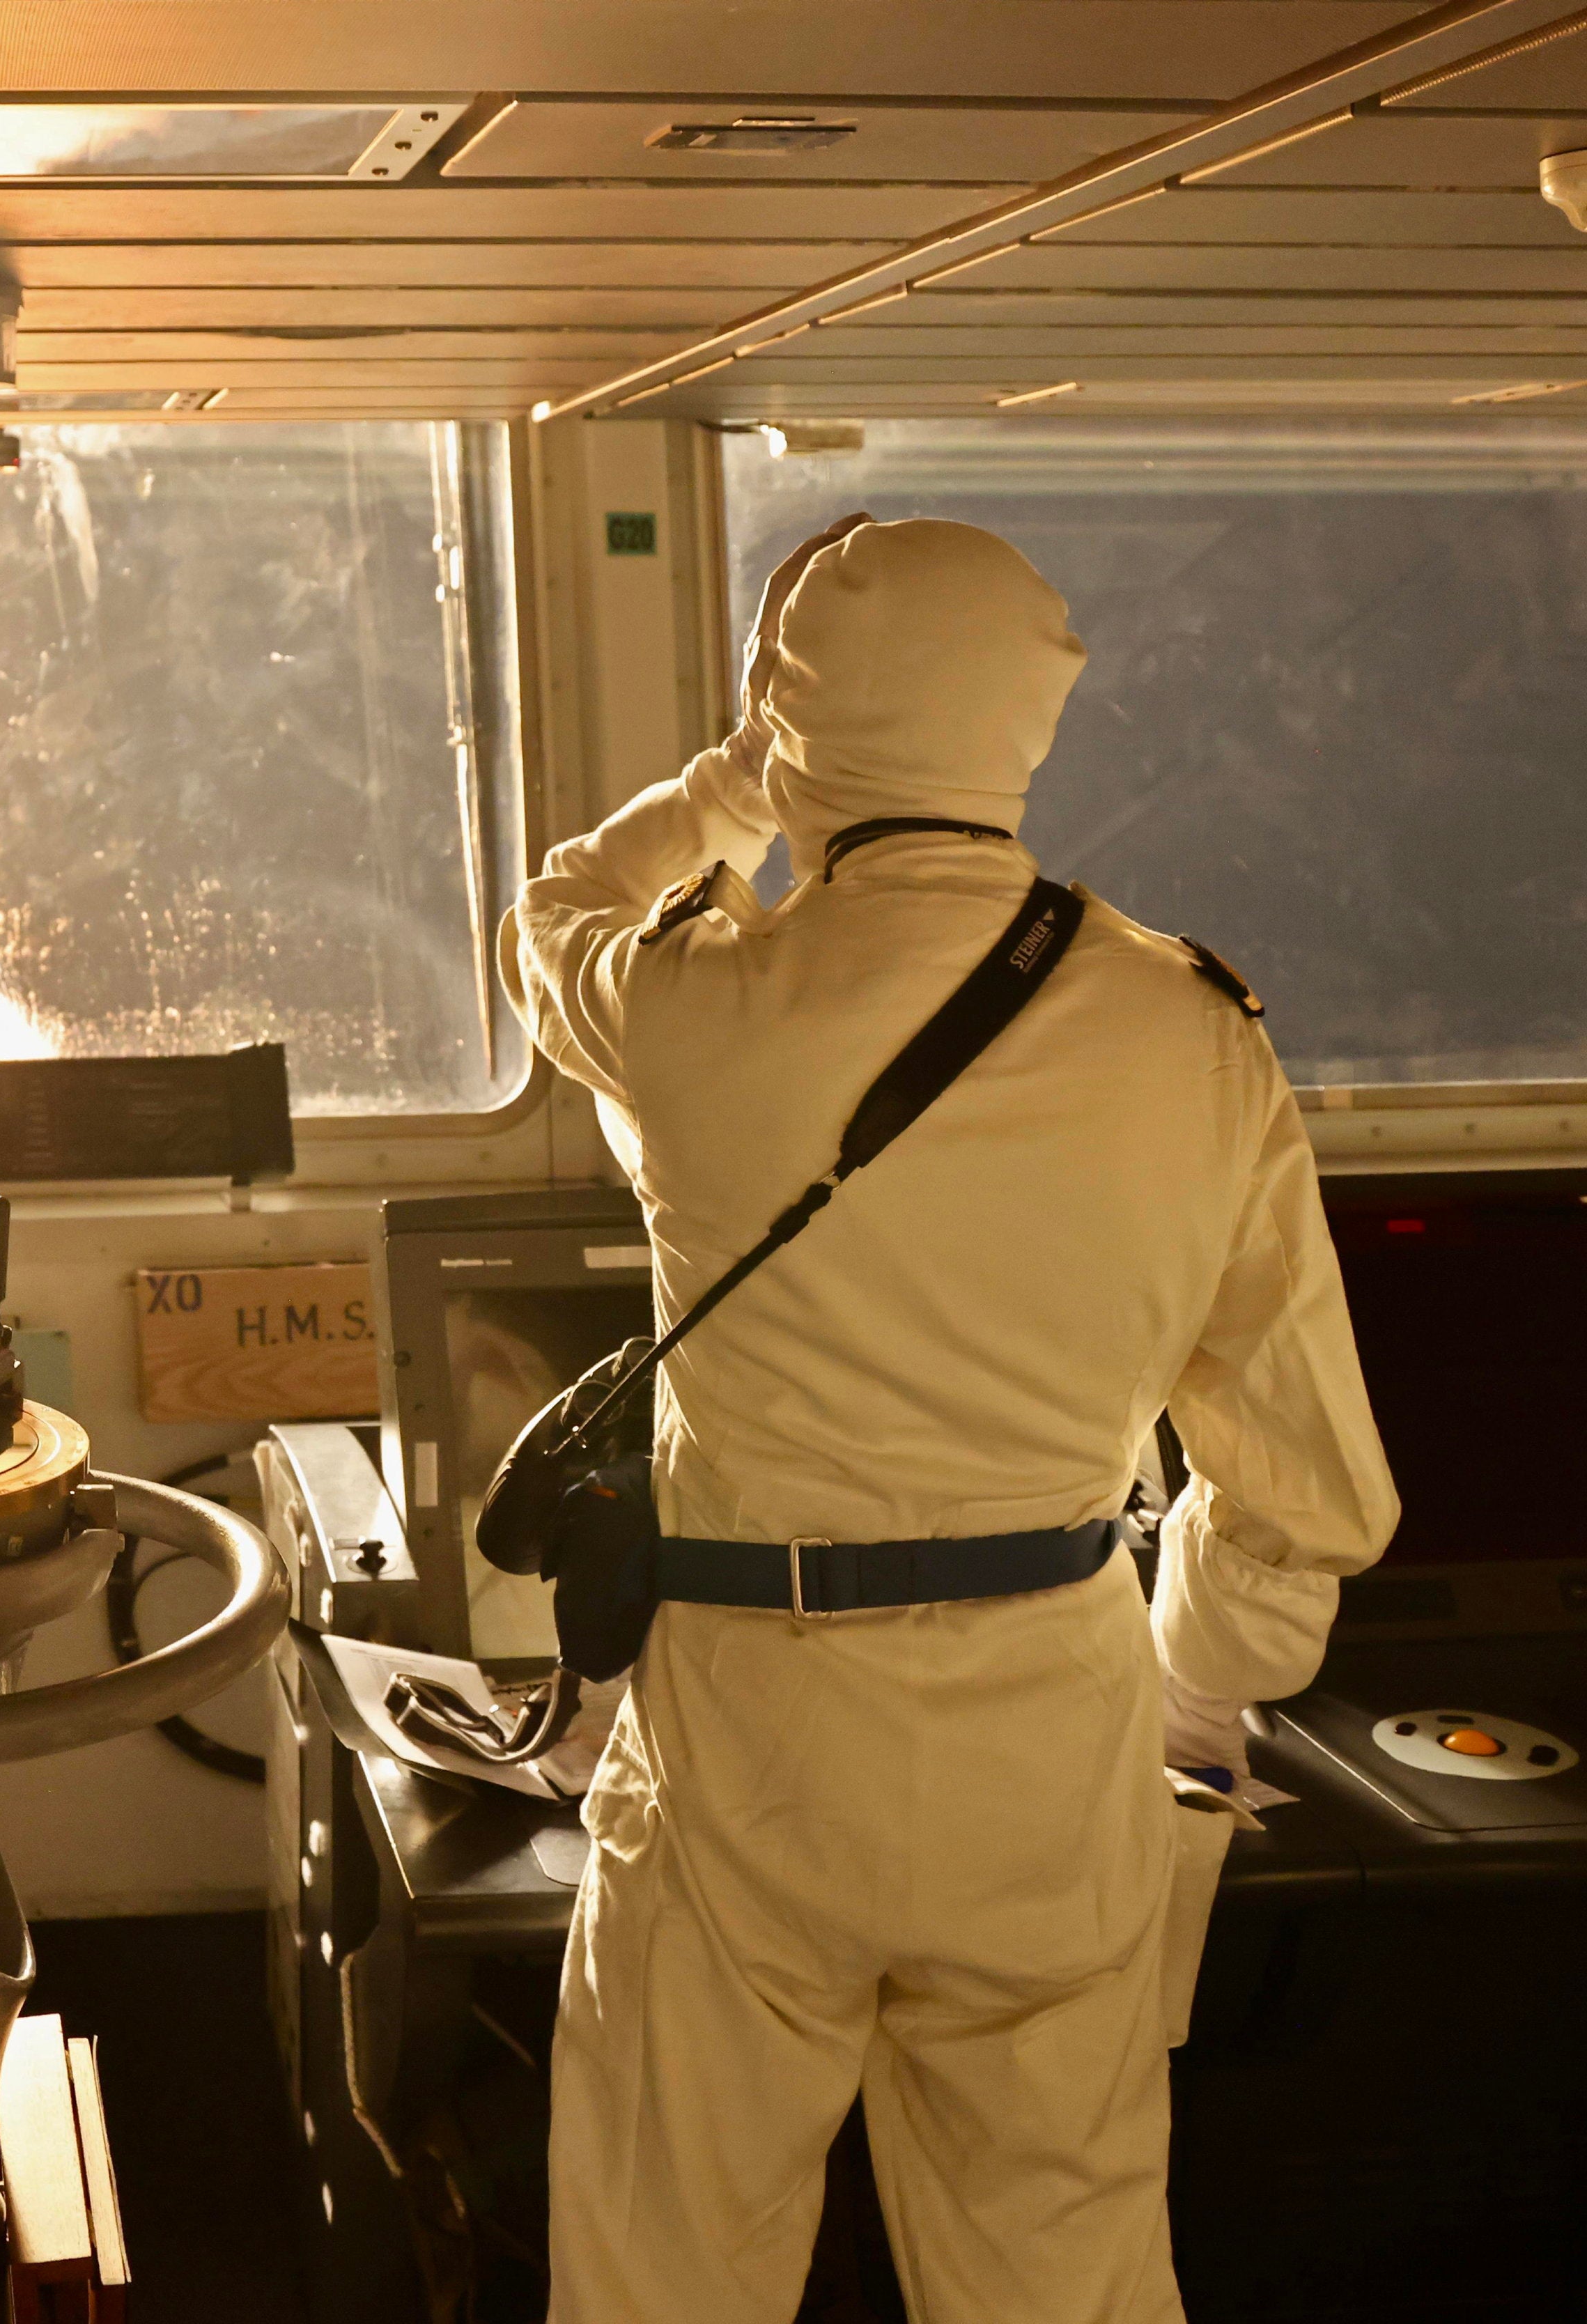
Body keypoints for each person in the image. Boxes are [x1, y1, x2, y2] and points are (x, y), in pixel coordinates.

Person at [505, 518, 1397, 2323]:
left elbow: (550, 929)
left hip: (748, 1739)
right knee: (1062, 2270)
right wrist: (1200, 1693)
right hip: (1050, 1725)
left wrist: (728, 788)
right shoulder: (1194, 1035)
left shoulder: (695, 1012)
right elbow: (1304, 1479)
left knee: (666, 2268)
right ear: (1034, 721)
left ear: (791, 726)